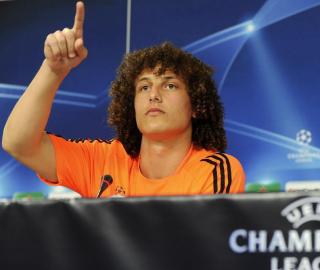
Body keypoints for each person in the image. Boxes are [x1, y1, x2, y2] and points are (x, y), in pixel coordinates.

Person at [1, 2, 245, 198]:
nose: (153, 95)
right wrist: (53, 71)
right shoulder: (103, 160)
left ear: (196, 105)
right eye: (144, 87)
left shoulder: (216, 170)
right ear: (132, 104)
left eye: (170, 85)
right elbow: (19, 143)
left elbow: (202, 254)